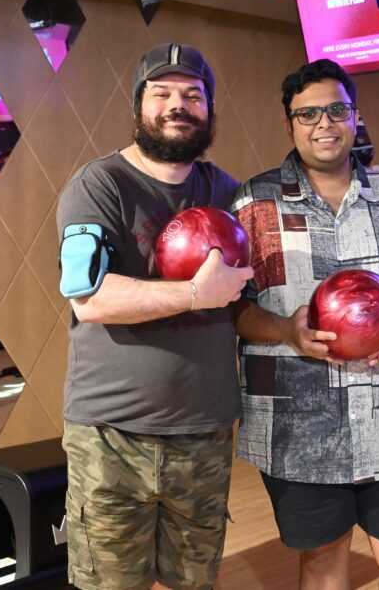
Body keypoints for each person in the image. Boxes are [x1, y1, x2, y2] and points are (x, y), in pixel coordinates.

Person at [231, 59, 379, 590]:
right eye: (307, 114)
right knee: (323, 569)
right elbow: (231, 309)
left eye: (335, 110)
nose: (323, 124)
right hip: (297, 428)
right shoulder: (251, 204)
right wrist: (287, 331)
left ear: (355, 117)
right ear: (289, 125)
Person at [55, 43, 253, 590]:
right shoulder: (99, 186)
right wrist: (195, 293)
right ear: (138, 106)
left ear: (209, 111)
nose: (177, 104)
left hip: (205, 431)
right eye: (161, 93)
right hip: (111, 434)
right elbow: (87, 298)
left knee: (195, 583)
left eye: (192, 95)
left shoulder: (228, 192)